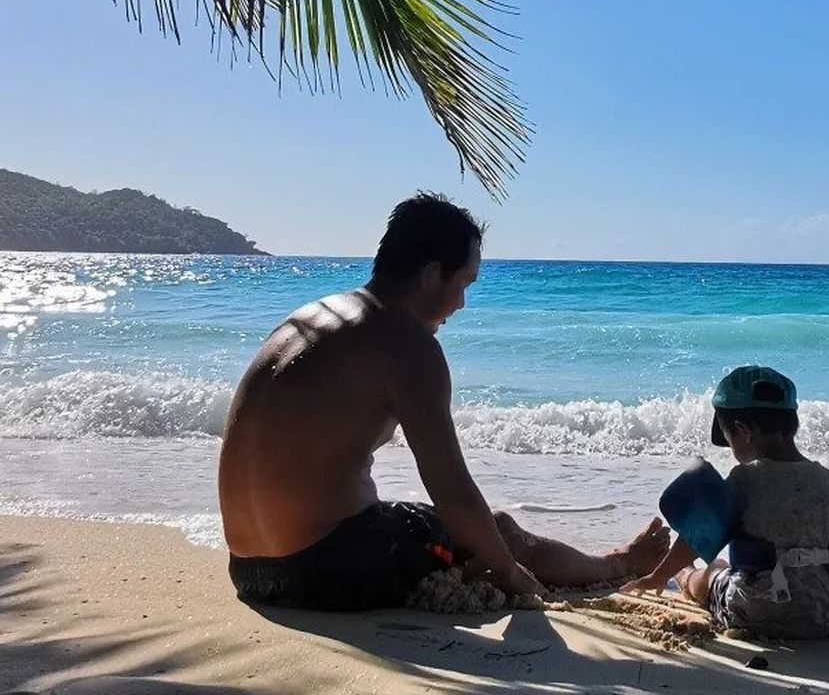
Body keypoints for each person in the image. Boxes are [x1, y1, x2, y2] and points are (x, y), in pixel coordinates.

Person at [219, 193, 669, 611]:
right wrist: (510, 572)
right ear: (432, 272)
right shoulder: (407, 344)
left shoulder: (310, 320)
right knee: (501, 532)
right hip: (322, 570)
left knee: (451, 534)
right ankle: (620, 565)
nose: (462, 304)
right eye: (464, 283)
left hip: (247, 568)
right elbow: (452, 493)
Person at [623, 365, 829, 639]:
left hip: (747, 612)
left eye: (728, 437)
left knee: (715, 569)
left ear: (744, 430)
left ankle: (684, 577)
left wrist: (657, 577)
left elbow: (697, 535)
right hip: (818, 619)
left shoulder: (743, 480)